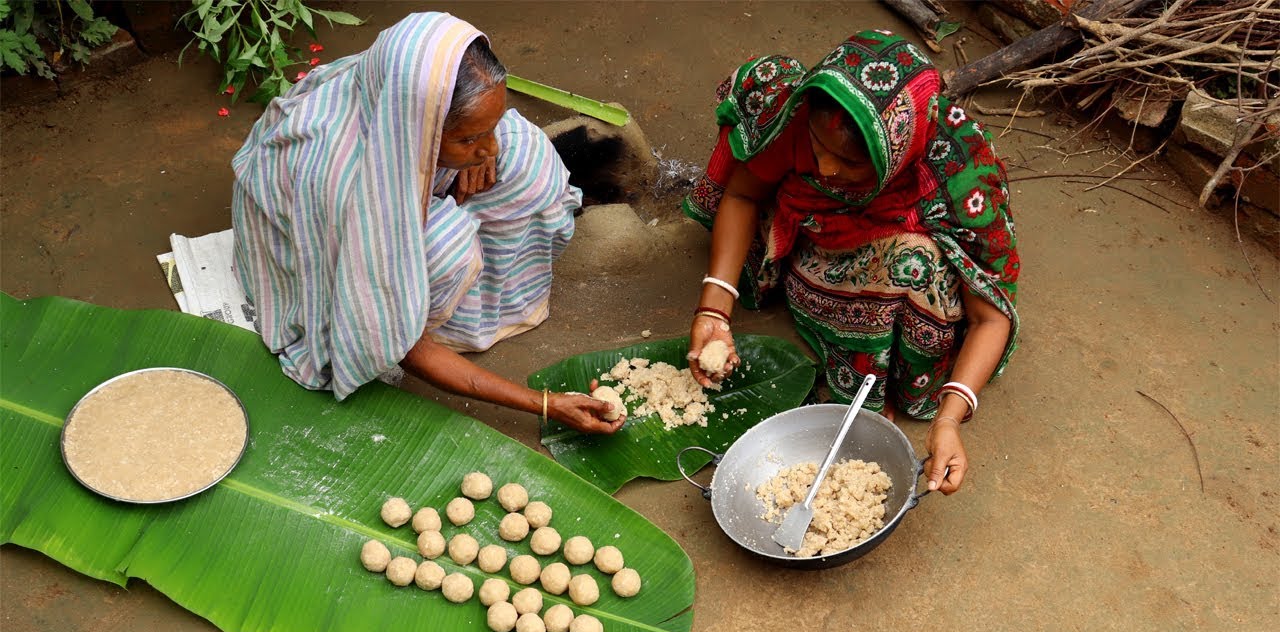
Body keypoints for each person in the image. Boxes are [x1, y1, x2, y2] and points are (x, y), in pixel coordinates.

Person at [231, 13, 620, 434]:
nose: (486, 147)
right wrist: (544, 404)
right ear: (421, 129)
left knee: (527, 158)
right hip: (334, 218)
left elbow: (488, 131)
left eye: (488, 128)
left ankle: (482, 297)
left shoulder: (408, 85)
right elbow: (408, 351)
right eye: (469, 139)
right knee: (448, 246)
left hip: (399, 163)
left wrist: (479, 150)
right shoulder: (339, 183)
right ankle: (421, 307)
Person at [683, 30, 1020, 494]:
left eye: (849, 163)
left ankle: (882, 362)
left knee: (915, 265)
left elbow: (989, 316)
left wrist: (949, 421)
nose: (824, 170)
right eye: (819, 147)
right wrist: (713, 310)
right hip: (808, 242)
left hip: (895, 266)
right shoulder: (797, 120)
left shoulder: (959, 166)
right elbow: (742, 195)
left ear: (898, 153)